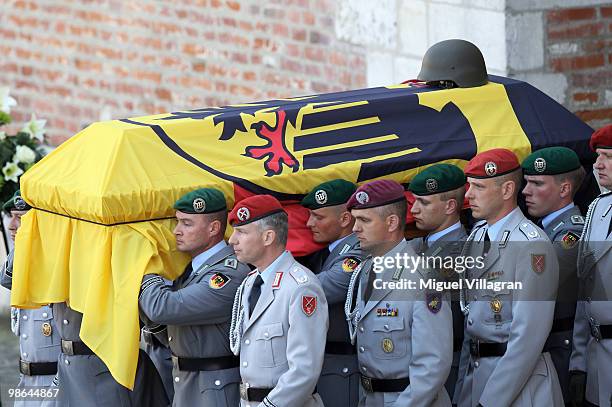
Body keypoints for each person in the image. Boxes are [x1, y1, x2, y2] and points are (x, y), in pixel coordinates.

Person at [454, 148, 563, 407]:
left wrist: (491, 401)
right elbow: (472, 322)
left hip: (519, 389)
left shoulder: (530, 244)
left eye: (478, 187)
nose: (468, 196)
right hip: (478, 378)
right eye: (469, 187)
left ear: (506, 190)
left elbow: (528, 336)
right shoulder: (478, 237)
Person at [345, 179, 453, 407]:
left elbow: (432, 365)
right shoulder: (366, 271)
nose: (355, 228)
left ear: (392, 222)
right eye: (355, 220)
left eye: (364, 220)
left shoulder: (423, 278)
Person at [139, 188, 249, 406]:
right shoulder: (190, 269)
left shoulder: (227, 273)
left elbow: (163, 309)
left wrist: (146, 269)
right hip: (185, 383)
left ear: (214, 228)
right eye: (177, 222)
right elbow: (169, 328)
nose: (177, 231)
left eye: (187, 223)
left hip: (214, 389)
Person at [228, 194, 329, 407]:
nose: (232, 239)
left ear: (268, 237)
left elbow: (304, 371)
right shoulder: (251, 282)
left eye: (242, 232)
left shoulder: (301, 287)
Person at [521, 147, 586, 405]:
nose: (526, 191)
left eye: (537, 183)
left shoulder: (572, 233)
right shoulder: (540, 230)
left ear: (564, 189)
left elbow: (538, 282)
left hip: (561, 350)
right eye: (526, 183)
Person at [300, 179, 363, 407]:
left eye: (318, 217)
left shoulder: (358, 251)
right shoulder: (320, 254)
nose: (308, 223)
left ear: (345, 219)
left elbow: (322, 288)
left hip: (343, 368)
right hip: (323, 365)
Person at [408, 164, 467, 398]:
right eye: (414, 202)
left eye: (423, 202)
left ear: (450, 206)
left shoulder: (462, 252)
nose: (413, 210)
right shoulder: (417, 246)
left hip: (444, 372)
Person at [0, 190, 61, 407]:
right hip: (26, 384)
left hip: (54, 386)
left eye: (20, 218)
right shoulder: (28, 270)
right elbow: (6, 280)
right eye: (12, 216)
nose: (11, 225)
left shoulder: (56, 273)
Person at [569, 124, 612, 407]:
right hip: (600, 357)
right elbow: (585, 287)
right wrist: (579, 362)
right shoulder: (598, 209)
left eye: (607, 156)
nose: (598, 164)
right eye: (597, 156)